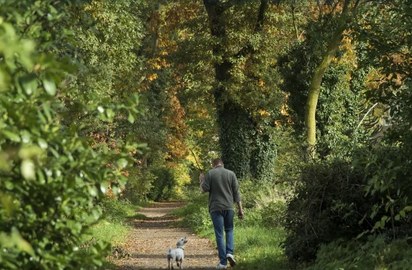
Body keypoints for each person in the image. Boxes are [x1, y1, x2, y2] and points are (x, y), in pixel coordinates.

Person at [199, 158, 244, 269]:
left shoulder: (210, 173)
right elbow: (237, 193)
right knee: (229, 230)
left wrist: (201, 180)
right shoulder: (231, 174)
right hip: (229, 208)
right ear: (222, 164)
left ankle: (223, 263)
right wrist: (240, 210)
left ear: (213, 164)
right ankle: (230, 253)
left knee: (219, 234)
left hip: (215, 208)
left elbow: (204, 189)